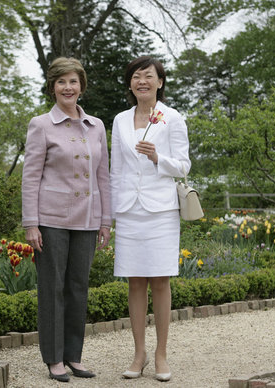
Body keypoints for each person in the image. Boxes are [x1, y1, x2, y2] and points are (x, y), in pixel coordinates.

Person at [21, 57, 112, 383]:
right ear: (53, 87)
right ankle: (54, 359)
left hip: (88, 221)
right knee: (52, 289)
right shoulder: (41, 124)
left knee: (78, 288)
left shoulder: (97, 126)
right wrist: (31, 223)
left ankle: (74, 356)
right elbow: (30, 177)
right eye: (61, 82)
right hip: (52, 221)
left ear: (81, 86)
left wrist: (106, 220)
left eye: (73, 81)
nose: (68, 87)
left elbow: (104, 176)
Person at [110, 56, 191, 382]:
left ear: (160, 82)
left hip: (160, 210)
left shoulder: (172, 118)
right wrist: (113, 213)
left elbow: (184, 166)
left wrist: (158, 157)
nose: (142, 81)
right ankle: (139, 352)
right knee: (134, 281)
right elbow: (116, 170)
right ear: (130, 84)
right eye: (136, 76)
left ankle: (161, 354)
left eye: (148, 76)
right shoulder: (119, 120)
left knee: (160, 280)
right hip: (129, 211)